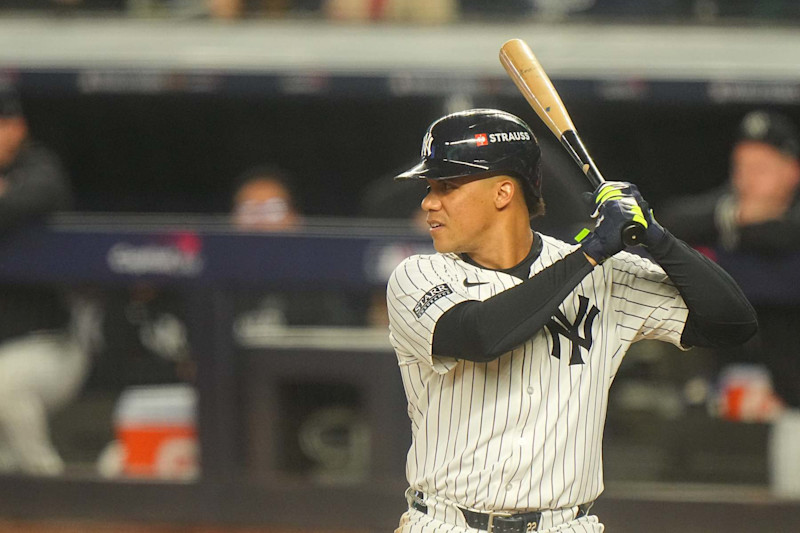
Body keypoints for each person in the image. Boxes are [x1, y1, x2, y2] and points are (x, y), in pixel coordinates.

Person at [386, 108, 757, 532]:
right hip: (448, 523)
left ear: (503, 193)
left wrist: (655, 235)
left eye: (446, 186)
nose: (428, 202)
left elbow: (732, 323)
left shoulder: (599, 274)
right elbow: (482, 335)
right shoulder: (419, 275)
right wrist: (592, 251)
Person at [659, 109, 800, 410]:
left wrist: (745, 234)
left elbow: (783, 239)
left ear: (792, 170)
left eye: (761, 168)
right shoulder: (727, 208)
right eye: (741, 167)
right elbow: (666, 223)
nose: (747, 179)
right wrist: (735, 220)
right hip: (732, 389)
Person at [0, 87, 89, 476]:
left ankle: (47, 483)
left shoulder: (39, 166)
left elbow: (31, 198)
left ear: (17, 127)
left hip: (48, 344)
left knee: (5, 382)